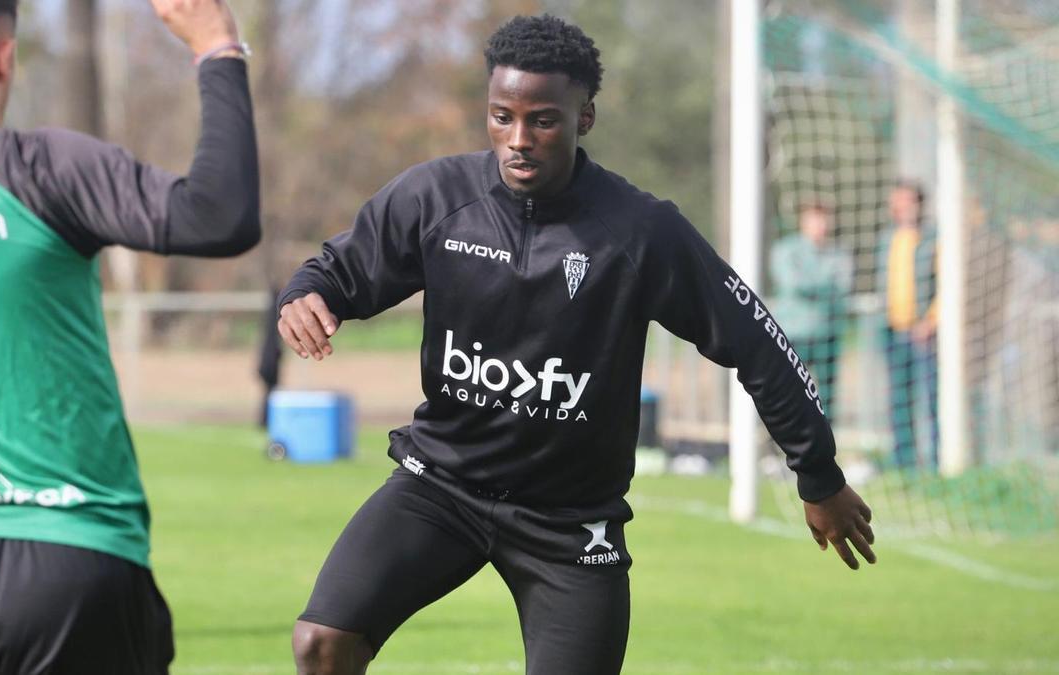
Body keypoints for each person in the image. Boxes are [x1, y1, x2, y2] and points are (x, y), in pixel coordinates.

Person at [278, 15, 875, 675]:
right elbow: (337, 270)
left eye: (543, 120)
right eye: (501, 117)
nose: (518, 140)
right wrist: (308, 295)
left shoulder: (641, 232)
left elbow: (758, 344)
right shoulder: (436, 197)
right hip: (440, 486)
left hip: (569, 524)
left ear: (584, 118)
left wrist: (817, 473)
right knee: (321, 642)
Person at [0, 0, 259, 672]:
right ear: (5, 56)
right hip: (70, 561)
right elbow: (218, 215)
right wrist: (218, 49)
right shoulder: (42, 167)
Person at [876, 181, 938, 471]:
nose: (901, 207)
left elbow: (945, 285)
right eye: (897, 201)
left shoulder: (931, 238)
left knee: (930, 400)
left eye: (907, 201)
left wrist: (931, 320)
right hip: (892, 331)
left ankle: (936, 461)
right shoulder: (888, 239)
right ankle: (904, 463)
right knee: (899, 401)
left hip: (923, 332)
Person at [769, 202, 853, 417]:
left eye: (824, 219)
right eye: (814, 219)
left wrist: (813, 285)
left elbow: (842, 287)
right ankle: (783, 443)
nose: (820, 225)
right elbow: (792, 284)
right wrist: (823, 284)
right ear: (803, 222)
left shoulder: (839, 253)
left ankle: (826, 445)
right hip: (793, 334)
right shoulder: (786, 250)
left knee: (827, 398)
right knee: (789, 391)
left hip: (827, 334)